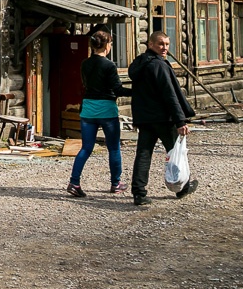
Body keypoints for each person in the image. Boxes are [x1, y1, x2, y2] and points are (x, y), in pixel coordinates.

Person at [127, 31, 199, 206]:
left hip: (145, 119)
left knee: (143, 154)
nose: (165, 48)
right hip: (163, 119)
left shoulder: (139, 64)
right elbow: (170, 95)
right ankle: (181, 188)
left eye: (167, 44)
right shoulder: (158, 65)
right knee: (176, 153)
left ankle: (139, 193)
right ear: (150, 44)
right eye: (161, 44)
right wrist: (180, 121)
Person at [66, 29, 132, 197]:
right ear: (107, 45)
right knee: (113, 148)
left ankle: (74, 182)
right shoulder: (109, 65)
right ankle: (116, 183)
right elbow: (117, 89)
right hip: (107, 110)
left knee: (86, 148)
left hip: (88, 109)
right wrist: (137, 91)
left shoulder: (85, 63)